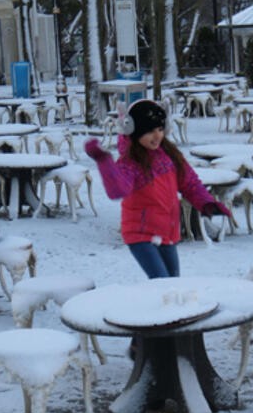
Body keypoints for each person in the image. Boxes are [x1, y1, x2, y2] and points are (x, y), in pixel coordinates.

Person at [84, 99, 231, 280]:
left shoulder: (169, 154)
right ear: (134, 130)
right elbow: (117, 189)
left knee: (172, 282)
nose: (157, 136)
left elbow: (190, 182)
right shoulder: (130, 162)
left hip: (167, 231)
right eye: (150, 131)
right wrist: (103, 161)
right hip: (141, 234)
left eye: (160, 130)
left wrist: (206, 202)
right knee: (162, 284)